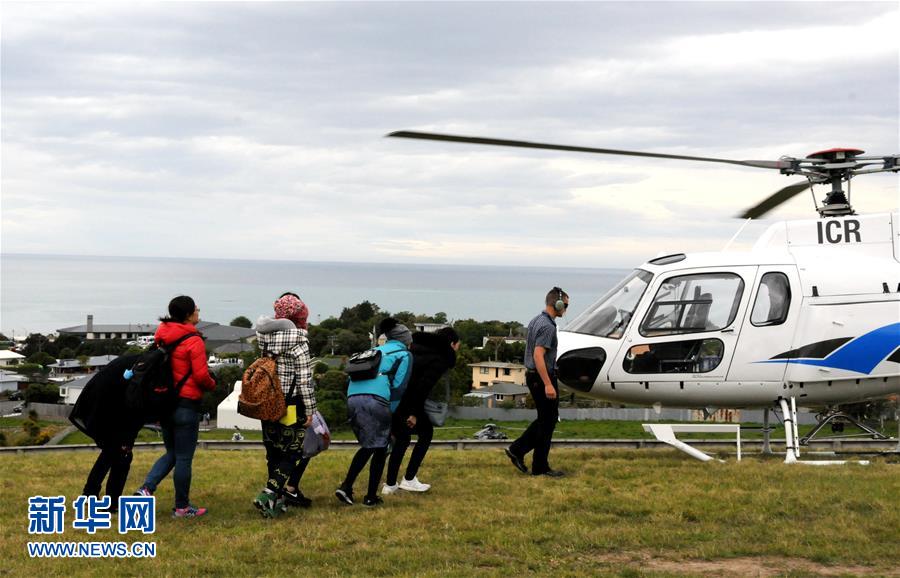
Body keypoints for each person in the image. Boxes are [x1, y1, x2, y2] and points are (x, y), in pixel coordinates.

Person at [134, 295, 217, 517]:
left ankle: (146, 489)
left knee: (172, 452)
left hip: (164, 403)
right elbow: (201, 376)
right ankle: (182, 507)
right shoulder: (193, 340)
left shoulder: (163, 336)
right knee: (183, 457)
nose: (199, 310)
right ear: (189, 315)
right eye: (196, 308)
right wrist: (213, 384)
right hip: (186, 405)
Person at [251, 292, 317, 518]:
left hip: (268, 403)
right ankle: (268, 492)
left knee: (273, 451)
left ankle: (275, 503)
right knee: (292, 451)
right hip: (291, 404)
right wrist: (310, 411)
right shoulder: (299, 342)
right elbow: (305, 381)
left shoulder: (264, 338)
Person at [335, 317, 412, 507]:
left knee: (377, 445)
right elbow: (399, 386)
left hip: (353, 397)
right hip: (376, 400)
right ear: (404, 340)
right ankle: (354, 489)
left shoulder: (374, 350)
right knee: (375, 445)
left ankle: (368, 494)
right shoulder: (403, 355)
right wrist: (392, 414)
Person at [382, 327, 459, 496]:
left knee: (402, 439)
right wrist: (414, 413)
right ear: (452, 344)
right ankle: (409, 479)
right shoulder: (440, 358)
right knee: (426, 433)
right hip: (408, 401)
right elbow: (423, 386)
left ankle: (390, 484)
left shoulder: (414, 348)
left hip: (391, 398)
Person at [505, 287, 569, 478]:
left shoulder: (536, 320)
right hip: (541, 377)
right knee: (547, 421)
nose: (566, 308)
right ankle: (530, 459)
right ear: (556, 304)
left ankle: (527, 457)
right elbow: (538, 355)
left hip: (535, 377)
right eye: (565, 304)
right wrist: (548, 383)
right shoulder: (548, 327)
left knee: (546, 420)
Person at [71, 353, 145, 512]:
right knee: (121, 456)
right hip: (117, 416)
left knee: (111, 455)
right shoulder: (144, 366)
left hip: (106, 413)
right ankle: (108, 501)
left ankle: (92, 495)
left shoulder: (134, 362)